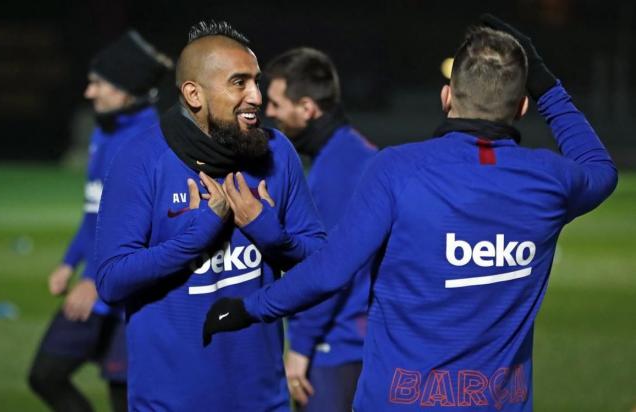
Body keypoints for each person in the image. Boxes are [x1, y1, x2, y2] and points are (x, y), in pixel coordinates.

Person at [203, 15, 618, 411]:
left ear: (446, 97)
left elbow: (331, 270)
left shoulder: (397, 169)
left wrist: (247, 308)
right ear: (523, 106)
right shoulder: (550, 180)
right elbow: (600, 169)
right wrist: (545, 82)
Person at [94, 20, 325, 411]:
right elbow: (111, 280)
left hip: (262, 401)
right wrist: (195, 237)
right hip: (168, 404)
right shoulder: (141, 161)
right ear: (193, 94)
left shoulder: (277, 153)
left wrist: (269, 233)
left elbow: (323, 264)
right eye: (239, 83)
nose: (256, 96)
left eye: (256, 81)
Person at [28, 31, 172, 412]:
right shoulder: (104, 132)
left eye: (98, 84)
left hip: (130, 292)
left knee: (123, 399)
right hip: (100, 279)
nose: (89, 93)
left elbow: (144, 225)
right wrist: (68, 262)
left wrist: (94, 279)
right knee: (46, 374)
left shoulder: (148, 142)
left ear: (127, 90)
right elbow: (95, 212)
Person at [264, 47, 377, 411]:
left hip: (337, 346)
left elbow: (330, 269)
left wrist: (300, 346)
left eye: (276, 104)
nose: (269, 113)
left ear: (308, 109)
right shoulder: (352, 152)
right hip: (357, 340)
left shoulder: (338, 170)